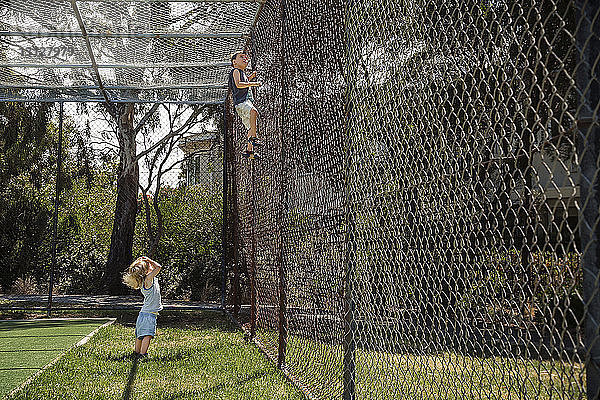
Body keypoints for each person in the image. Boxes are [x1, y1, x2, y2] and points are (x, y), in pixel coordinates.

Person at [122, 256, 163, 360]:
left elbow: (156, 269)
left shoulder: (144, 281)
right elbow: (158, 267)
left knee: (139, 335)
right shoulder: (149, 279)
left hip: (143, 313)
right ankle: (142, 354)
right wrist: (149, 260)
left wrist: (146, 263)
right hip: (149, 314)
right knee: (147, 335)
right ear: (146, 271)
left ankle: (136, 352)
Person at [228, 51, 263, 159]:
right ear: (234, 62)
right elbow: (239, 84)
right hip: (241, 102)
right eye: (241, 57)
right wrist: (254, 83)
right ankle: (254, 137)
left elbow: (245, 81)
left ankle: (249, 151)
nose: (245, 59)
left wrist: (251, 77)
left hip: (244, 103)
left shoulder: (241, 73)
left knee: (250, 127)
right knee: (254, 112)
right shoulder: (235, 71)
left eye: (246, 57)